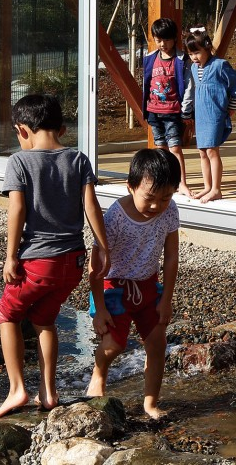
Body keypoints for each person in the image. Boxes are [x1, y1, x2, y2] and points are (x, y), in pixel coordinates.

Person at [0, 93, 110, 419]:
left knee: (6, 315)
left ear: (23, 130)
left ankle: (17, 389)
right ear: (61, 127)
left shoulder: (19, 161)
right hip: (71, 263)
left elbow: (16, 208)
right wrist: (103, 248)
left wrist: (10, 255)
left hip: (37, 262)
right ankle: (48, 391)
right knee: (44, 320)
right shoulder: (78, 159)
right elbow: (91, 206)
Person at [86, 148, 180, 418]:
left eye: (165, 198)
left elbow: (172, 256)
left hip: (148, 285)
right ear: (130, 186)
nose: (157, 206)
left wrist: (166, 299)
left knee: (157, 343)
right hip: (114, 286)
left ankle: (150, 403)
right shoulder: (115, 217)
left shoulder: (169, 210)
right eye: (149, 198)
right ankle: (99, 372)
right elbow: (96, 266)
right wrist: (100, 308)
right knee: (114, 345)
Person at [180, 28, 236, 203]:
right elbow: (193, 91)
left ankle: (216, 189)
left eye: (197, 52)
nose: (194, 57)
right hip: (201, 114)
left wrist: (232, 107)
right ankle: (207, 186)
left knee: (212, 150)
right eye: (190, 53)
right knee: (202, 152)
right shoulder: (193, 68)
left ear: (207, 48)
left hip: (215, 114)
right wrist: (188, 111)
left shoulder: (220, 65)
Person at [142, 17, 192, 197]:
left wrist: (185, 110)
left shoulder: (181, 60)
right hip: (154, 110)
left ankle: (182, 183)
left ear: (174, 39)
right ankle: (163, 181)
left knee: (175, 149)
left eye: (166, 39)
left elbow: (188, 86)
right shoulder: (149, 59)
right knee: (160, 150)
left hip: (172, 111)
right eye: (158, 39)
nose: (162, 43)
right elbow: (146, 84)